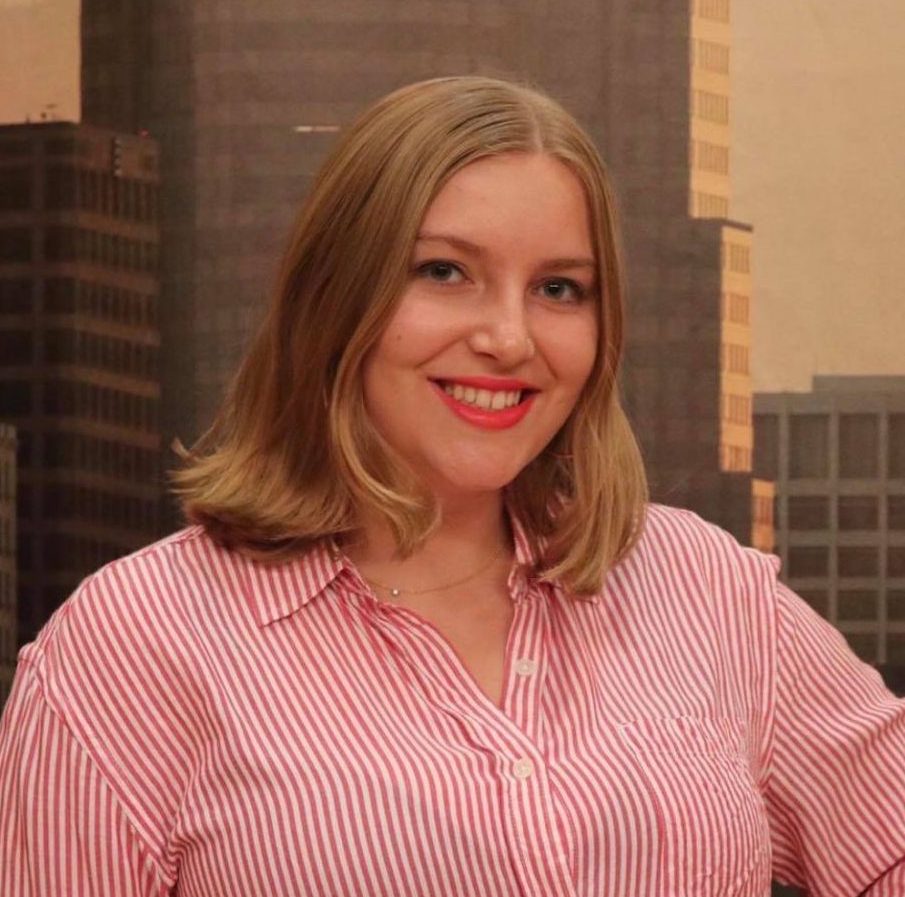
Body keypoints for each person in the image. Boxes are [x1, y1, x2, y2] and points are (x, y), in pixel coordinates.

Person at [1, 76, 903, 897]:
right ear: (335, 296)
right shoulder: (131, 645)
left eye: (559, 288)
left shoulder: (703, 588)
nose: (509, 337)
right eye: (444, 272)